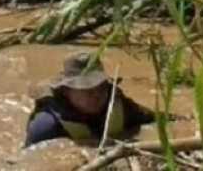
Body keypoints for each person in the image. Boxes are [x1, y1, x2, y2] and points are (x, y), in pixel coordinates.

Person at [24, 52, 156, 148]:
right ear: (66, 91)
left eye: (100, 87)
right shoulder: (45, 126)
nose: (96, 95)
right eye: (86, 89)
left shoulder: (123, 107)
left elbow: (161, 120)